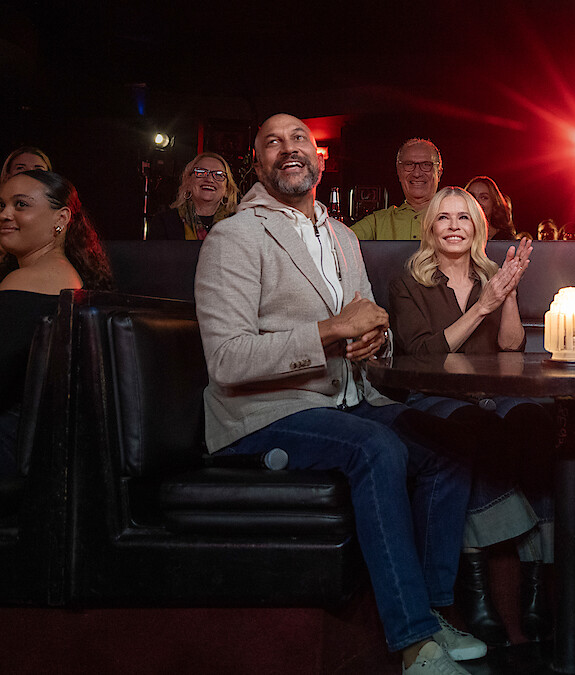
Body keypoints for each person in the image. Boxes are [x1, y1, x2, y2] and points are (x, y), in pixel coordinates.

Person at [194, 114, 482, 674]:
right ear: (257, 163)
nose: (288, 148)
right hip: (264, 414)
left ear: (319, 160)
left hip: (350, 401)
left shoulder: (343, 236)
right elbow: (226, 360)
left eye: (299, 138)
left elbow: (369, 323)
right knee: (377, 449)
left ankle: (429, 609)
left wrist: (377, 339)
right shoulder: (235, 236)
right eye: (272, 142)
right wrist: (330, 332)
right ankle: (414, 643)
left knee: (449, 444)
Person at [387, 187, 549, 646]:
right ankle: (484, 581)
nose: (454, 226)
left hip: (493, 394)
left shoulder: (492, 276)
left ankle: (536, 582)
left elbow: (512, 347)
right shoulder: (408, 281)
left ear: (478, 227)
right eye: (444, 217)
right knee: (469, 428)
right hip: (434, 395)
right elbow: (424, 355)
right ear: (430, 227)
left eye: (464, 217)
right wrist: (484, 306)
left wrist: (507, 293)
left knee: (538, 422)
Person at [0, 170, 113, 483]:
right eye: (0, 205)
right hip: (30, 442)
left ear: (61, 219)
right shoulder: (64, 274)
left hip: (7, 440)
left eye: (21, 204)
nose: (4, 214)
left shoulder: (28, 280)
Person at [352, 138, 442, 240]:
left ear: (439, 173)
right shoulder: (377, 222)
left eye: (426, 165)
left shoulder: (454, 220)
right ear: (399, 172)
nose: (417, 173)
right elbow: (338, 241)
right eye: (409, 164)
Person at [150, 152, 240, 240]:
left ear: (227, 188)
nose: (209, 179)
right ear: (188, 182)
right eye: (201, 172)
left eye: (218, 175)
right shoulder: (164, 222)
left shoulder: (237, 224)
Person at [463, 176, 516, 240]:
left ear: (494, 203)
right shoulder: (459, 235)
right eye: (472, 196)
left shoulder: (505, 239)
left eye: (484, 197)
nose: (476, 202)